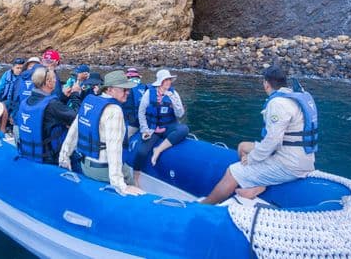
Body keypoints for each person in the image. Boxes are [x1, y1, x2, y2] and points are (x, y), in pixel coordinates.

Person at [200, 65, 318, 204]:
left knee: (232, 172)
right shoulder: (295, 97)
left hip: (289, 164)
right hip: (300, 157)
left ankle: (205, 205)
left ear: (266, 84)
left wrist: (252, 159)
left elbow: (273, 141)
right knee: (243, 147)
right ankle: (255, 186)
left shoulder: (278, 103)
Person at [59, 70, 145, 196]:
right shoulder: (114, 111)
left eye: (128, 89)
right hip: (102, 169)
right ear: (109, 90)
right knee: (128, 175)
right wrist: (120, 185)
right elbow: (113, 148)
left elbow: (74, 131)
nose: (128, 92)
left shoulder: (90, 102)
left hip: (86, 166)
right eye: (123, 89)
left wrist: (64, 157)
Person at [133, 69, 189, 186]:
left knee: (183, 129)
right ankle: (135, 177)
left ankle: (158, 150)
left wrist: (174, 101)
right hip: (153, 128)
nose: (169, 82)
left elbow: (180, 114)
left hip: (169, 126)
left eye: (169, 79)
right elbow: (141, 112)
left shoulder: (174, 93)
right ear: (160, 82)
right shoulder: (149, 93)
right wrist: (145, 129)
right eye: (166, 80)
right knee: (141, 152)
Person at [16, 66, 77, 164]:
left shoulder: (26, 101)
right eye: (54, 78)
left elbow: (49, 110)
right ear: (48, 82)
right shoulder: (52, 105)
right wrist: (76, 95)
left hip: (28, 152)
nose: (56, 80)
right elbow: (77, 119)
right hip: (49, 157)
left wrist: (63, 97)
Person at [0, 58, 26, 132]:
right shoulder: (6, 74)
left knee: (13, 117)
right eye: (17, 68)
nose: (19, 70)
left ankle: (13, 129)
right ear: (13, 67)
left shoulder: (25, 77)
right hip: (7, 100)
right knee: (3, 107)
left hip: (18, 102)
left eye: (21, 68)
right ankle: (3, 130)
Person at [123, 68, 147, 138]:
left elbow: (124, 107)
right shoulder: (145, 87)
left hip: (133, 123)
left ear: (128, 77)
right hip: (145, 121)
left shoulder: (126, 89)